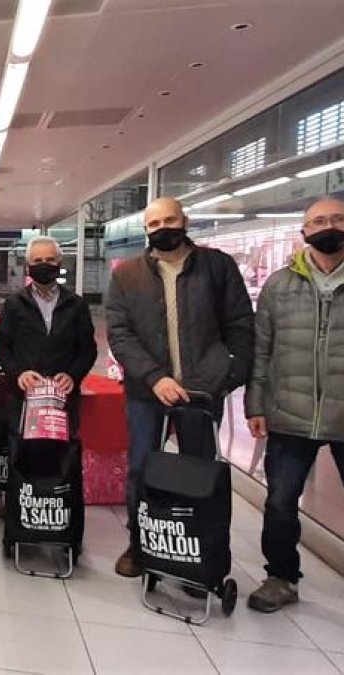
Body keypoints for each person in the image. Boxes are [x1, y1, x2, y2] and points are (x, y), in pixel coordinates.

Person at [105, 196, 254, 578]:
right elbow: (120, 335)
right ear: (146, 230)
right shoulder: (128, 275)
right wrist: (155, 377)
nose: (163, 229)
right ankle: (140, 542)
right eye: (154, 224)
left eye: (169, 220)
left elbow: (239, 324)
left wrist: (227, 375)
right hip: (146, 390)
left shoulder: (217, 266)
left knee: (199, 469)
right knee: (141, 465)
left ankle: (195, 546)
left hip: (202, 391)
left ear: (184, 221)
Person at [245, 196, 344, 613]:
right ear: (304, 232)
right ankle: (281, 577)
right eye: (319, 220)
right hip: (289, 411)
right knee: (281, 501)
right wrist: (255, 403)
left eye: (337, 219)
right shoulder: (279, 285)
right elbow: (261, 348)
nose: (328, 226)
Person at [0, 236, 97, 438]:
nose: (44, 265)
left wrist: (73, 375)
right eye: (37, 261)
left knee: (63, 460)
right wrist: (19, 373)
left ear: (59, 264)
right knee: (22, 460)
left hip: (63, 399)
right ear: (28, 265)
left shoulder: (77, 305)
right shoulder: (14, 304)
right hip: (23, 397)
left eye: (50, 260)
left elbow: (88, 349)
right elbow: (0, 347)